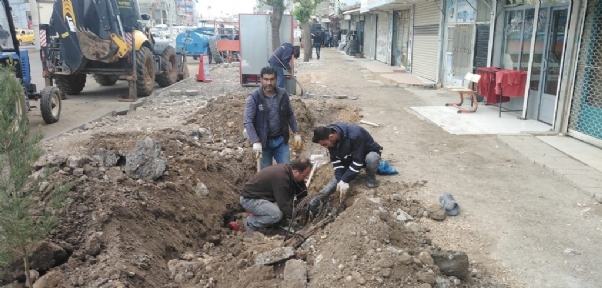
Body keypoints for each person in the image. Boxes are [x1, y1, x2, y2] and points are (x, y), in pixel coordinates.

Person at [308, 122, 383, 212]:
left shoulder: (355, 135)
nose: (325, 147)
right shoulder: (331, 141)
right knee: (336, 181)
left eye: (325, 144)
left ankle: (370, 175)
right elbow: (336, 163)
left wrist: (345, 179)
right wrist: (341, 180)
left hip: (365, 154)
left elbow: (357, 162)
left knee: (372, 158)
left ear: (331, 137)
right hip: (350, 157)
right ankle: (314, 204)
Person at [243, 66, 302, 170]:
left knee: (286, 171)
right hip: (263, 143)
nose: (269, 83)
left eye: (272, 79)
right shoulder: (254, 98)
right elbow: (248, 121)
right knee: (265, 174)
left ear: (276, 79)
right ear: (261, 79)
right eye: (266, 79)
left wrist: (296, 132)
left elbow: (290, 114)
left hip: (281, 141)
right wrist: (255, 141)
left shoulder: (283, 94)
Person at [240, 157, 312, 233]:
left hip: (263, 197)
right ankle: (250, 223)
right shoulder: (282, 179)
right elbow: (284, 205)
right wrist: (294, 216)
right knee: (276, 214)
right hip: (250, 199)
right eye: (304, 176)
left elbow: (301, 191)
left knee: (282, 211)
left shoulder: (291, 171)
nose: (305, 178)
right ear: (296, 172)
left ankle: (269, 219)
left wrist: (305, 207)